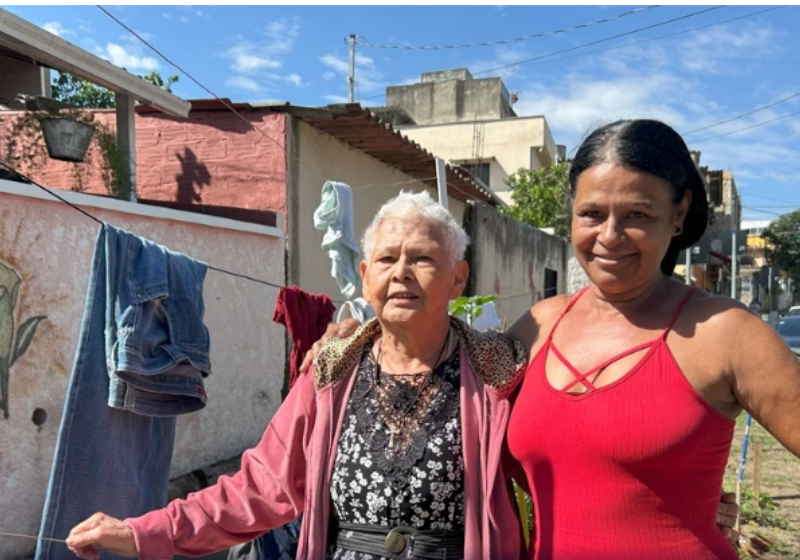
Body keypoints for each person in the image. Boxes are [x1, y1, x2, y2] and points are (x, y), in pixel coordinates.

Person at [305, 120, 799, 560]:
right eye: (591, 213)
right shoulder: (538, 328)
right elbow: (443, 392)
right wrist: (363, 337)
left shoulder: (727, 333)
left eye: (638, 215)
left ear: (679, 212)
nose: (610, 235)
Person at [65, 190, 530, 560]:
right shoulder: (332, 372)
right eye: (387, 259)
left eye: (423, 259)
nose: (402, 273)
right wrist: (146, 531)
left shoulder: (499, 375)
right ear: (366, 275)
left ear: (458, 278)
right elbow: (258, 488)